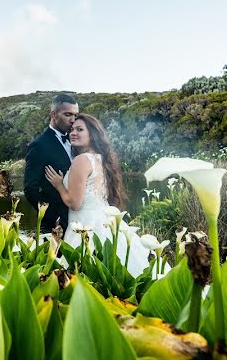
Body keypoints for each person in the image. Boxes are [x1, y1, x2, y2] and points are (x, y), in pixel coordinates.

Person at [43, 113, 150, 276]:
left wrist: (59, 185)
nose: (73, 133)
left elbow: (74, 203)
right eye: (72, 129)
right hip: (106, 222)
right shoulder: (101, 159)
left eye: (80, 129)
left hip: (85, 225)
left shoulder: (81, 160)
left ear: (92, 134)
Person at [23, 93, 79, 233]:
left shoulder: (78, 141)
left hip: (81, 219)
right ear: (54, 115)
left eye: (75, 115)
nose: (73, 120)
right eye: (68, 115)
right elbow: (30, 189)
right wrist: (54, 219)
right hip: (57, 225)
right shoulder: (39, 146)